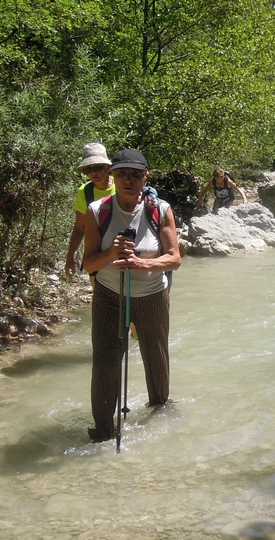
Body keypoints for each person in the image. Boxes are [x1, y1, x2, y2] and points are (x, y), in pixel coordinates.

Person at [82, 148, 182, 442]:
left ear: (145, 177)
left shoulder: (159, 210)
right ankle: (103, 430)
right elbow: (88, 263)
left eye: (135, 174)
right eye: (122, 173)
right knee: (104, 360)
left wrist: (142, 263)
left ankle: (160, 411)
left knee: (156, 355)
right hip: (109, 294)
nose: (128, 179)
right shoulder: (97, 211)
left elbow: (174, 258)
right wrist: (112, 252)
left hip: (151, 294)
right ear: (113, 176)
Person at [64, 143, 114, 280]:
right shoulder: (84, 192)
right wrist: (70, 258)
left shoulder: (122, 186)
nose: (93, 173)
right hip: (96, 257)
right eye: (88, 169)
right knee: (101, 299)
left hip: (121, 253)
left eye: (98, 167)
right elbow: (80, 227)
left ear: (108, 167)